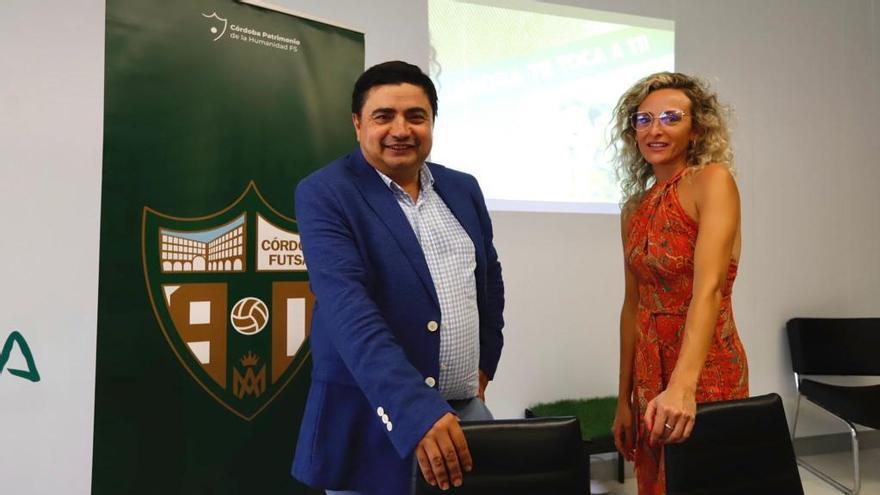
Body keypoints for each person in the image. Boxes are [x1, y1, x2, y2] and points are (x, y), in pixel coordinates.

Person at [291, 61, 505, 495]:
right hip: (373, 418)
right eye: (383, 116)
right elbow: (348, 310)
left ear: (432, 122)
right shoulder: (326, 192)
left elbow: (489, 279)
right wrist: (416, 410)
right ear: (357, 124)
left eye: (416, 116)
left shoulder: (463, 188)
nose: (401, 129)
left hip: (464, 410)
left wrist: (485, 360)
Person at [609, 72, 749, 495]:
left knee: (704, 481)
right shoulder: (635, 207)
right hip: (649, 370)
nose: (655, 129)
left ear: (697, 127)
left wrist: (683, 387)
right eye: (644, 119)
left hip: (705, 366)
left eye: (671, 117)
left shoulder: (713, 181)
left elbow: (708, 289)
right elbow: (632, 305)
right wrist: (624, 399)